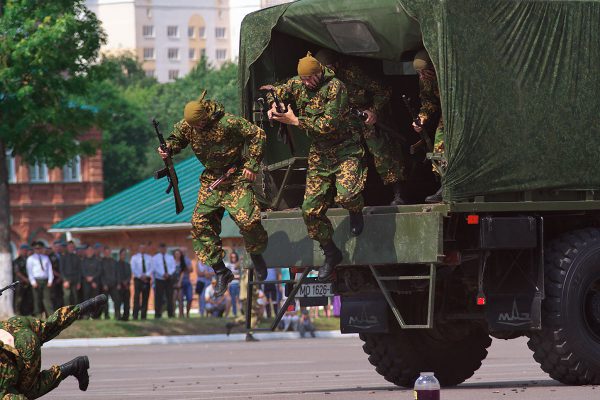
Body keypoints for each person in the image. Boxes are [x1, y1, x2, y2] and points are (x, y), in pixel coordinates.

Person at [264, 51, 366, 282]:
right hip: (320, 154)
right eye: (304, 80)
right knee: (309, 210)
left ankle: (355, 211)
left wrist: (295, 121)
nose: (308, 83)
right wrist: (273, 107)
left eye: (311, 78)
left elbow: (327, 125)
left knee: (347, 195)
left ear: (320, 72)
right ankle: (331, 252)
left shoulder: (335, 87)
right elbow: (276, 92)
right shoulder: (297, 83)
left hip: (345, 149)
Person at [157, 90, 269, 297]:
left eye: (198, 124)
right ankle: (221, 271)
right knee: (199, 224)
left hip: (235, 176)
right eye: (192, 126)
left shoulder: (228, 122)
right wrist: (168, 148)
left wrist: (252, 165)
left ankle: (257, 254)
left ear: (205, 116)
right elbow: (177, 139)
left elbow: (257, 134)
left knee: (248, 221)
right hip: (212, 180)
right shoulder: (188, 125)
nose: (195, 128)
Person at [315, 49, 407, 205]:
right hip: (346, 118)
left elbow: (383, 90)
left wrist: (373, 111)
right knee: (346, 154)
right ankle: (346, 196)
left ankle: (398, 193)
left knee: (381, 151)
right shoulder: (320, 78)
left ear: (336, 65)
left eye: (329, 68)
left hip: (366, 114)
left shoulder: (353, 72)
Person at [0, 295, 107, 398]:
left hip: (24, 346)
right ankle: (86, 306)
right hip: (12, 325)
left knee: (26, 391)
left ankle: (73, 367)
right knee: (51, 326)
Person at [412, 49, 444, 203]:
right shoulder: (425, 79)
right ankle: (444, 184)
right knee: (439, 145)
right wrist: (421, 118)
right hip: (446, 113)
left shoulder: (447, 75)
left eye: (425, 72)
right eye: (418, 73)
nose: (421, 77)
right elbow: (428, 101)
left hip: (459, 113)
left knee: (441, 140)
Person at [26, 241, 54, 318]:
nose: (38, 250)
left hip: (45, 280)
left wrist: (50, 280)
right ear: (34, 249)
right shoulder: (30, 259)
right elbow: (30, 271)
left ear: (42, 249)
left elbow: (49, 270)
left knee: (47, 298)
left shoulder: (46, 258)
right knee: (37, 299)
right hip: (36, 280)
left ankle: (50, 315)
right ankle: (38, 315)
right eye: (36, 248)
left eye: (39, 248)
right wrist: (33, 282)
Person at [152, 243, 176, 319]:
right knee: (158, 297)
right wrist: (162, 274)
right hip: (159, 279)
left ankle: (170, 314)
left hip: (169, 279)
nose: (163, 250)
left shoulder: (170, 257)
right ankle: (158, 314)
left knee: (170, 296)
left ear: (166, 249)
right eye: (162, 248)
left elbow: (173, 267)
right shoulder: (155, 258)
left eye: (164, 248)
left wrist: (169, 274)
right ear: (159, 249)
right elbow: (155, 268)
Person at [130, 244, 153, 320]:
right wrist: (140, 276)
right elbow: (133, 268)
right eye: (141, 248)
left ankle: (143, 316)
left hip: (147, 279)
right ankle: (135, 315)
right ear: (139, 249)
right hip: (137, 279)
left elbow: (151, 268)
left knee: (145, 297)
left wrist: (146, 275)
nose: (142, 249)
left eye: (144, 248)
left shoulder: (149, 257)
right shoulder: (134, 257)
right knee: (136, 297)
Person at [80, 245, 101, 318]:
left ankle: (94, 315)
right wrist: (88, 278)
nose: (90, 252)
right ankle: (86, 315)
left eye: (91, 250)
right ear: (86, 252)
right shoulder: (83, 261)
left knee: (95, 299)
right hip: (86, 283)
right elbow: (82, 271)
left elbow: (99, 271)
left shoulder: (97, 261)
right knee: (86, 299)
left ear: (93, 251)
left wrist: (92, 278)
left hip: (95, 283)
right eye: (88, 250)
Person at [100, 245, 120, 320]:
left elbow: (117, 273)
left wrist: (118, 283)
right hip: (105, 285)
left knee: (117, 300)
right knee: (105, 302)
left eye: (108, 252)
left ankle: (117, 316)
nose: (107, 253)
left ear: (110, 252)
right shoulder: (101, 262)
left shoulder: (114, 261)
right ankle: (106, 316)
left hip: (114, 284)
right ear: (104, 252)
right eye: (106, 252)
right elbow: (101, 274)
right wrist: (104, 284)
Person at [60, 240, 82, 307]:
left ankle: (74, 313)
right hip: (66, 279)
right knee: (67, 297)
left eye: (72, 247)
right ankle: (66, 313)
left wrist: (79, 282)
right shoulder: (63, 257)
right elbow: (61, 270)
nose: (71, 248)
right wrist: (65, 280)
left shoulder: (77, 257)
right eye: (70, 247)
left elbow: (79, 270)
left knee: (75, 297)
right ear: (67, 247)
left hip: (75, 279)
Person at [13, 244, 33, 316]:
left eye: (26, 250)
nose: (25, 252)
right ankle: (17, 312)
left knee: (28, 298)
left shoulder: (29, 259)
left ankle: (27, 312)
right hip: (20, 283)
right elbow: (17, 272)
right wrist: (26, 279)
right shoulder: (16, 261)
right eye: (24, 250)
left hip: (28, 282)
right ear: (20, 251)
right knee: (19, 299)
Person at [174, 249, 193, 318]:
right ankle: (180, 314)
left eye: (184, 251)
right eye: (182, 252)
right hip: (179, 282)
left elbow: (191, 270)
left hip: (187, 281)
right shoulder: (176, 261)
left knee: (190, 298)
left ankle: (187, 313)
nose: (183, 253)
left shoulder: (187, 260)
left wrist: (185, 265)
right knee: (180, 299)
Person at [48, 240, 65, 310]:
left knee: (61, 295)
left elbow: (65, 267)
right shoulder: (49, 256)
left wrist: (62, 277)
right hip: (54, 279)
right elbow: (50, 268)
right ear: (53, 247)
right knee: (53, 295)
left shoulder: (63, 256)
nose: (58, 248)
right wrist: (59, 276)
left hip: (63, 279)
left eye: (59, 247)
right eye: (56, 247)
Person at [116, 248, 132, 321]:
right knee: (118, 303)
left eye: (125, 255)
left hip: (126, 286)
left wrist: (127, 282)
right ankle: (118, 317)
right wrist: (120, 282)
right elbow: (116, 275)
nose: (123, 256)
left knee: (127, 303)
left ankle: (126, 317)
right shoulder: (116, 264)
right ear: (119, 255)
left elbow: (129, 275)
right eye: (122, 254)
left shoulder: (128, 265)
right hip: (119, 286)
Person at [224, 251, 241, 316]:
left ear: (236, 257)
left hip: (239, 285)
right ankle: (234, 314)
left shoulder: (239, 265)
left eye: (235, 257)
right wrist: (235, 276)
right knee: (233, 300)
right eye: (232, 257)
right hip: (232, 285)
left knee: (240, 299)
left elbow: (241, 275)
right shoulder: (228, 265)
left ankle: (242, 313)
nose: (233, 258)